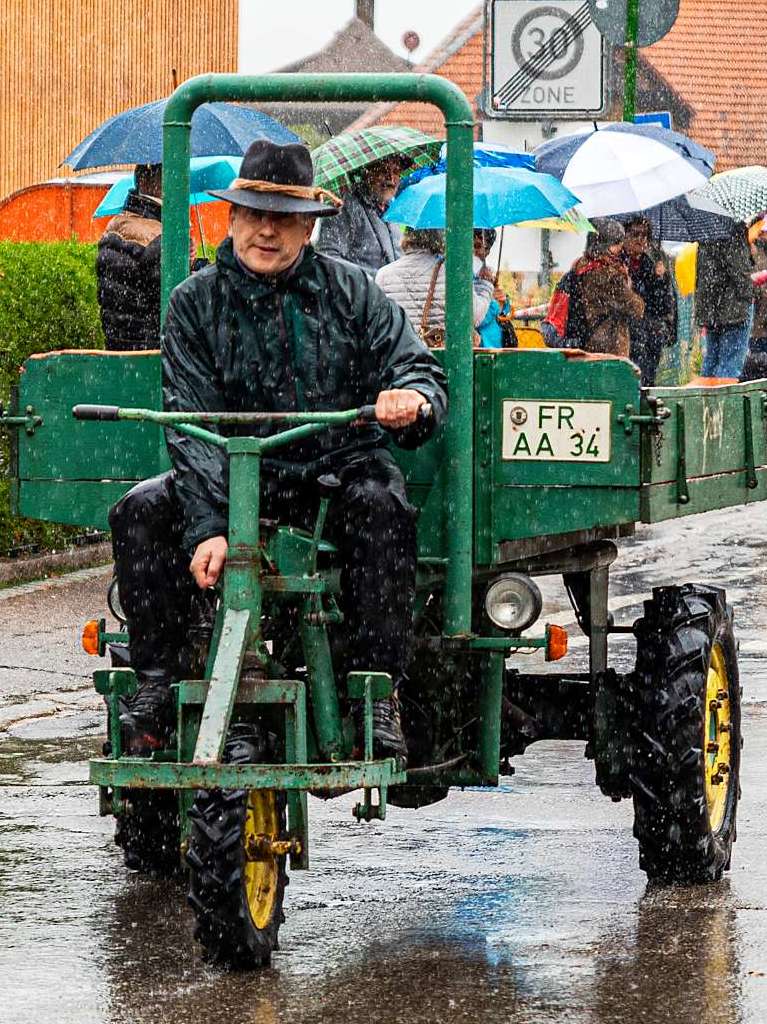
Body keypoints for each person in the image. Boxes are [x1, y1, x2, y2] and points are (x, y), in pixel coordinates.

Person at [110, 140, 448, 767]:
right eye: (253, 213)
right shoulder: (194, 303)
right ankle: (157, 684)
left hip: (336, 470)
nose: (266, 230)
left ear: (309, 226)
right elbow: (190, 423)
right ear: (232, 217)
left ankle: (375, 689)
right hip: (237, 476)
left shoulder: (354, 293)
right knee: (140, 510)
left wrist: (414, 399)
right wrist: (211, 526)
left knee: (382, 507)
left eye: (284, 217)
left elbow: (417, 369)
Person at [96, 163, 202, 350]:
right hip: (153, 354)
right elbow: (176, 298)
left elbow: (138, 287)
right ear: (165, 186)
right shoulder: (160, 237)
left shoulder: (118, 224)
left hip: (119, 350)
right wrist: (190, 265)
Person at [375, 227, 493, 346]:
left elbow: (378, 325)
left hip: (400, 357)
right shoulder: (452, 273)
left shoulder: (383, 275)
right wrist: (485, 285)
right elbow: (473, 316)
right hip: (438, 358)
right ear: (440, 237)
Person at [315, 154, 407, 276]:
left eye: (396, 172)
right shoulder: (345, 206)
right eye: (383, 170)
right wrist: (377, 280)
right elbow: (328, 258)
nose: (391, 178)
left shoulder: (393, 211)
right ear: (367, 172)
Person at [570, 218, 644, 357]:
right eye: (616, 243)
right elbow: (637, 308)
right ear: (605, 245)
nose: (620, 247)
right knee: (610, 378)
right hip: (609, 344)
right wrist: (628, 284)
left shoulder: (581, 265)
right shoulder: (608, 275)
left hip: (586, 339)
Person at [696, 221, 755, 380]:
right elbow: (739, 270)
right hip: (733, 307)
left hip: (712, 308)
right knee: (730, 365)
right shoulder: (732, 227)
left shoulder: (706, 228)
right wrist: (750, 293)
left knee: (712, 361)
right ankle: (723, 404)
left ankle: (705, 403)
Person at [622, 216, 676, 385]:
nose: (640, 240)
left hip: (649, 333)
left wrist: (660, 279)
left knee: (647, 378)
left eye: (645, 235)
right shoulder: (618, 263)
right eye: (635, 234)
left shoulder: (650, 264)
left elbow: (662, 305)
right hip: (626, 333)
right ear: (625, 236)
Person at [472, 229, 515, 348]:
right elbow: (477, 317)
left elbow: (503, 312)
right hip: (480, 344)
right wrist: (496, 305)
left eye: (478, 246)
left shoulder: (487, 272)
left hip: (494, 342)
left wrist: (503, 301)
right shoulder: (465, 275)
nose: (474, 251)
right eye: (473, 246)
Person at [740, 221, 767, 381]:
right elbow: (752, 288)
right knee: (757, 368)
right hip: (758, 326)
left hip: (759, 325)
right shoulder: (756, 254)